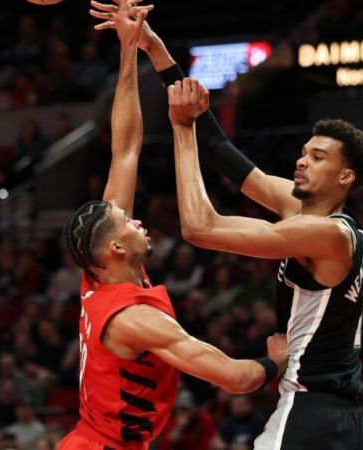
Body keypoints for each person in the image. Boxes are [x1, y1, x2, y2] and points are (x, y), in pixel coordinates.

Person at [59, 3, 287, 450]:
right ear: (116, 251)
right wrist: (276, 362)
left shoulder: (98, 273)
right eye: (127, 221)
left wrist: (128, 51)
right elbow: (236, 377)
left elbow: (125, 148)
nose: (136, 218)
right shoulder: (135, 319)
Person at [165, 79, 363, 448]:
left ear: (345, 177)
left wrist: (181, 129)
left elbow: (200, 227)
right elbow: (218, 148)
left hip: (309, 409)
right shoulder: (320, 220)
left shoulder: (328, 236)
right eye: (304, 152)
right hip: (344, 418)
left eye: (317, 157)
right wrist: (154, 49)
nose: (301, 160)